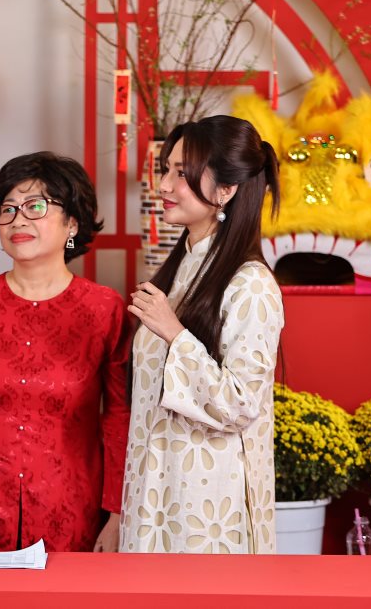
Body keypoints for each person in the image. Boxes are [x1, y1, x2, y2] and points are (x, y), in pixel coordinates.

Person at [0, 152, 130, 553]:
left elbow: (119, 421)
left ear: (72, 223)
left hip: (73, 515)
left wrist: (118, 515)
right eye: (8, 209)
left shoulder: (104, 310)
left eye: (36, 206)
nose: (18, 220)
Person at [120, 115, 283, 554]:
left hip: (207, 499)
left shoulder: (251, 284)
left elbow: (240, 403)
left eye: (181, 173)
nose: (164, 186)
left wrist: (176, 335)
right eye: (165, 170)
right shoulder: (180, 270)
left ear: (226, 189)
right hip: (154, 486)